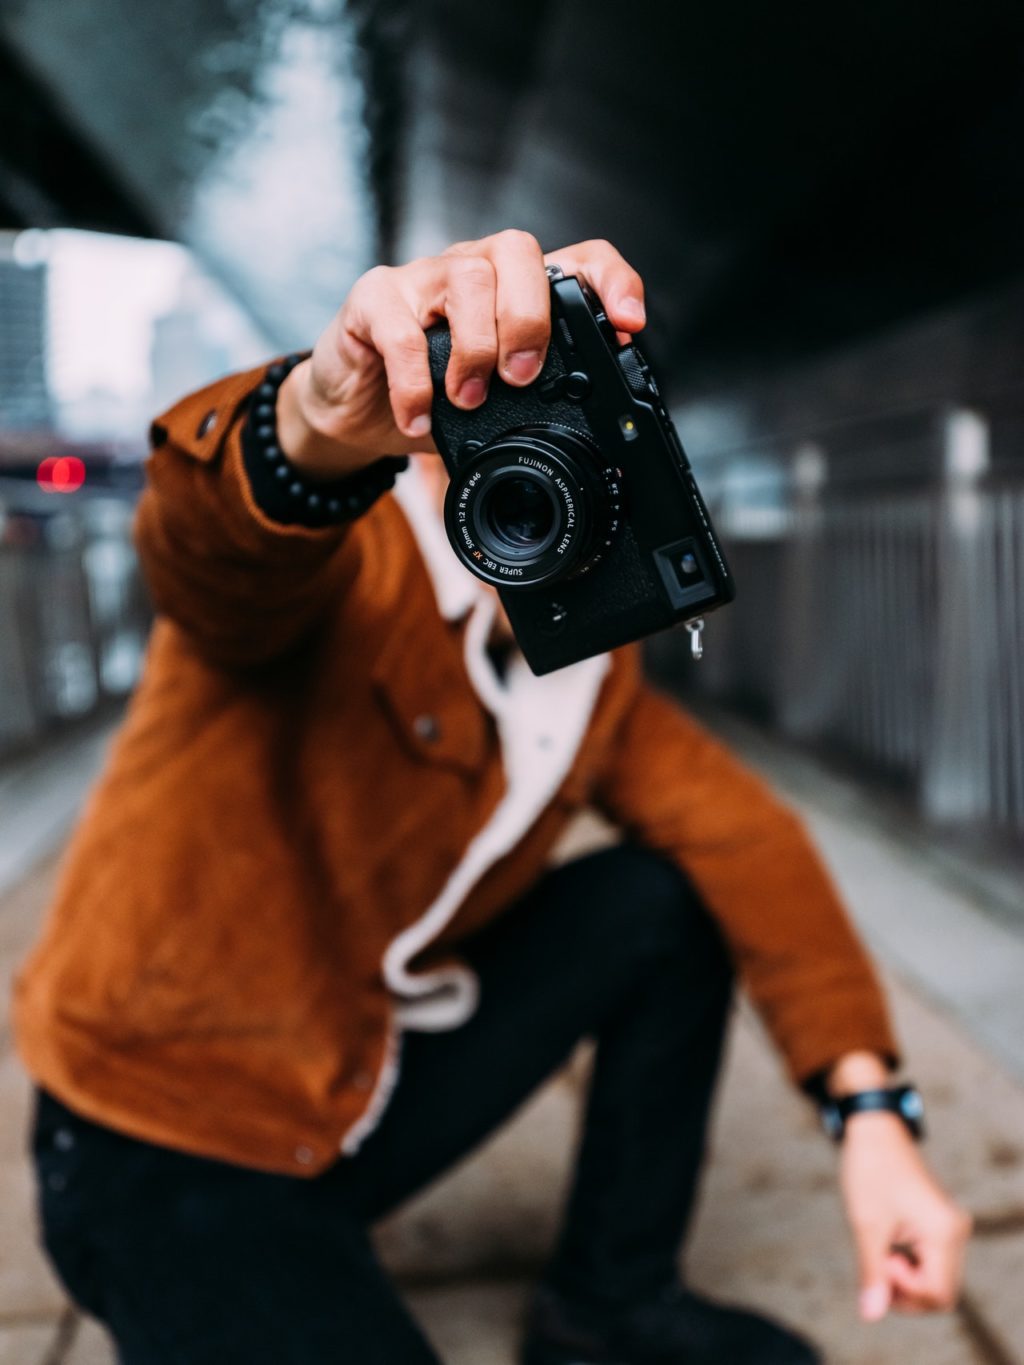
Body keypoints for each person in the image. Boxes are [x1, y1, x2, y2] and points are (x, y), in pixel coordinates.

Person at [15, 231, 970, 1365]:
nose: (525, 501)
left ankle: (607, 1304)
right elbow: (206, 554)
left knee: (665, 902)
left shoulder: (588, 666)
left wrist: (870, 1117)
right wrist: (313, 424)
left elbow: (744, 837)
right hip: (163, 1127)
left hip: (358, 1085)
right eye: (499, 448)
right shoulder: (344, 549)